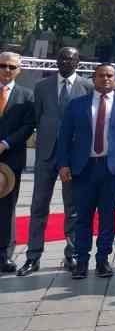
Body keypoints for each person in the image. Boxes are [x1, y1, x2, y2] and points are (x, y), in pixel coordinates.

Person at [56, 64, 115, 279]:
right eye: (101, 75)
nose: (106, 79)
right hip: (83, 168)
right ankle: (81, 261)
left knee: (107, 217)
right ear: (94, 78)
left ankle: (102, 260)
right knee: (82, 217)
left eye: (110, 75)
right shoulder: (77, 105)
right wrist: (63, 164)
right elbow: (64, 137)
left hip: (112, 169)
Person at [19, 46, 92, 276]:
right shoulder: (42, 87)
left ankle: (71, 255)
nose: (65, 62)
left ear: (78, 62)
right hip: (46, 156)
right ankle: (33, 257)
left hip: (72, 158)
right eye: (62, 58)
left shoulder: (88, 87)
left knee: (72, 208)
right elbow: (37, 118)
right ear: (56, 61)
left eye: (70, 59)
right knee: (38, 206)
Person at [0, 52, 35, 274]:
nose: (7, 70)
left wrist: (6, 143)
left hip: (10, 160)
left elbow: (28, 126)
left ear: (19, 70)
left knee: (6, 208)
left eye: (12, 67)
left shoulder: (27, 96)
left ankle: (5, 254)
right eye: (3, 65)